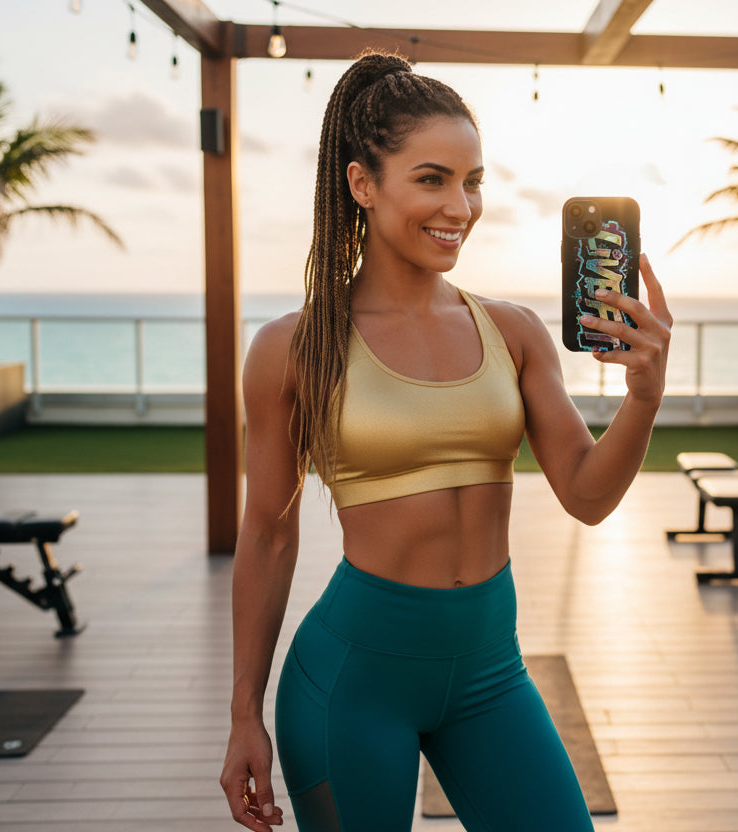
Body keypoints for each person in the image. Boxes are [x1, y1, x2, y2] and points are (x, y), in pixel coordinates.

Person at [220, 50, 672, 832]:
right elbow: (267, 534)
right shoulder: (294, 348)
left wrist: (643, 396)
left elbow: (589, 496)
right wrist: (242, 716)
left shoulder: (514, 331)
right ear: (363, 184)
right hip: (351, 682)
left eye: (473, 182)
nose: (459, 206)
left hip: (491, 675)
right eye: (432, 179)